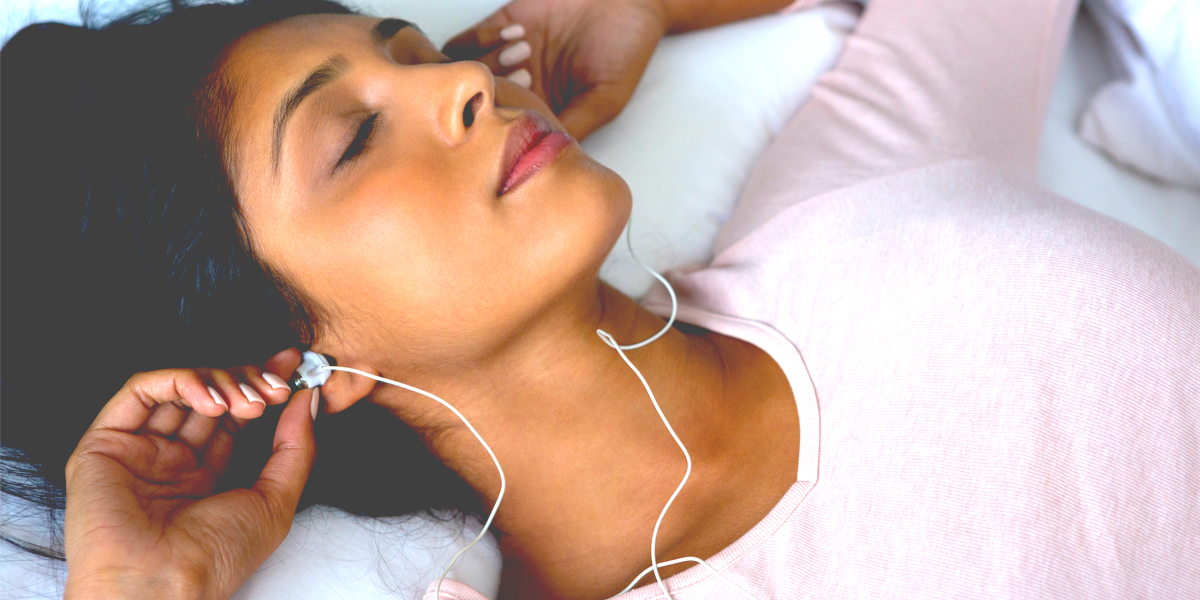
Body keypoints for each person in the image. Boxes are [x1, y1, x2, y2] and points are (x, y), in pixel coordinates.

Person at [1, 0, 1196, 598]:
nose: (466, 83)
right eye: (356, 137)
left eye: (417, 53)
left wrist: (640, 2)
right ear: (288, 361)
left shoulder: (855, 196)